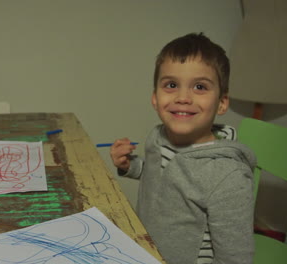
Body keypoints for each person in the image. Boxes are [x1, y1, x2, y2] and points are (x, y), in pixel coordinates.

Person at [110, 33, 256, 264]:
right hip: (147, 251)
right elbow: (160, 176)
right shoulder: (157, 137)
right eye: (171, 85)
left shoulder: (228, 177)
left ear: (222, 103)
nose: (183, 97)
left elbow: (235, 258)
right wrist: (131, 166)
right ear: (155, 98)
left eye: (200, 86)